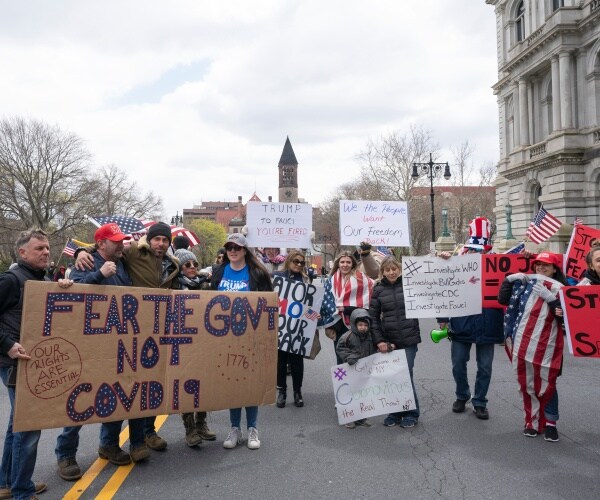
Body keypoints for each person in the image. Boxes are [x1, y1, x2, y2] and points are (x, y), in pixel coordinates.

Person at [55, 223, 150, 482]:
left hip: (116, 343)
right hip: (89, 345)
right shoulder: (87, 263)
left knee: (116, 395)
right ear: (100, 245)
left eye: (122, 241)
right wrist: (99, 273)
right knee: (80, 401)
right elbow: (72, 290)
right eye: (116, 241)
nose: (121, 245)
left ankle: (108, 445)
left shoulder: (122, 264)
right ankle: (65, 455)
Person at [76, 221, 180, 451]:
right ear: (149, 240)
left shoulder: (174, 265)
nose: (160, 244)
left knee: (150, 386)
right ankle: (111, 443)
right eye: (157, 239)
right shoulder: (132, 252)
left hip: (155, 332)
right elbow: (105, 248)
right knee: (120, 387)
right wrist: (80, 252)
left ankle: (147, 434)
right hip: (124, 331)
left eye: (165, 240)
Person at [0, 229, 52, 499]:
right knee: (29, 426)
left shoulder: (41, 279)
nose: (45, 252)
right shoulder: (11, 280)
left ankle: (7, 484)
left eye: (47, 248)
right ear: (22, 253)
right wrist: (7, 345)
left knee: (16, 425)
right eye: (39, 248)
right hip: (14, 363)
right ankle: (22, 490)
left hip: (32, 362)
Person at [210, 234, 273, 450]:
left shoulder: (257, 273)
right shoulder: (218, 271)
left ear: (245, 250)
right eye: (229, 247)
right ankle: (234, 428)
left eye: (237, 247)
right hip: (224, 337)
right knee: (232, 382)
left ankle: (252, 428)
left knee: (250, 383)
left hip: (250, 337)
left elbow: (267, 306)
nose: (233, 251)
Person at [437, 217, 503, 420]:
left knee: (485, 366)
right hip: (461, 322)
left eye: (480, 250)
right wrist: (443, 316)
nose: (476, 253)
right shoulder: (457, 264)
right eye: (472, 249)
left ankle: (480, 401)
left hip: (489, 322)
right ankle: (462, 394)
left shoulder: (499, 265)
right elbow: (443, 287)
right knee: (458, 362)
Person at [498, 251, 566, 441]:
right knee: (526, 383)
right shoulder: (525, 284)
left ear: (554, 269)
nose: (541, 268)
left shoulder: (561, 288)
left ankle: (551, 423)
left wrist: (551, 299)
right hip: (523, 341)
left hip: (549, 345)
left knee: (547, 383)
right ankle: (531, 422)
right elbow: (503, 301)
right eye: (538, 265)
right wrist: (508, 280)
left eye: (546, 265)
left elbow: (568, 317)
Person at [369, 255, 421, 428]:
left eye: (394, 269)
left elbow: (433, 279)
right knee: (392, 377)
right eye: (387, 270)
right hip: (389, 341)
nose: (391, 272)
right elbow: (373, 318)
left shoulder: (411, 284)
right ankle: (396, 411)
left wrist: (443, 258)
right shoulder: (378, 290)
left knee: (405, 375)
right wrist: (379, 341)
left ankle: (411, 412)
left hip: (408, 339)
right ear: (382, 272)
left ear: (399, 269)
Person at [173, 248, 217, 447]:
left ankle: (202, 424)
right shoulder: (174, 284)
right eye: (187, 265)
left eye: (195, 264)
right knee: (186, 386)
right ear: (179, 267)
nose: (192, 268)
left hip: (204, 342)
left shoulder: (205, 284)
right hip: (182, 344)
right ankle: (189, 428)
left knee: (205, 384)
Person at [273, 250, 310, 409]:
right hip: (281, 326)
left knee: (297, 362)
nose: (299, 264)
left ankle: (297, 392)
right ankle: (282, 391)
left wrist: (314, 315)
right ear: (289, 261)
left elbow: (310, 303)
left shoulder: (306, 279)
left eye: (302, 262)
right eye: (296, 261)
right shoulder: (278, 277)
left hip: (298, 327)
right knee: (280, 362)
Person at [328, 251, 374, 364]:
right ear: (338, 263)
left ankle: (358, 381)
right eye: (342, 262)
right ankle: (343, 381)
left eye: (348, 262)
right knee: (340, 354)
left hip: (357, 324)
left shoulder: (361, 279)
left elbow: (367, 303)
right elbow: (326, 302)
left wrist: (346, 308)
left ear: (352, 264)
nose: (345, 264)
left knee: (358, 356)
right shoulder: (331, 279)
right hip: (338, 324)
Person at [335, 309, 375, 428]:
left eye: (365, 325)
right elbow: (340, 348)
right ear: (354, 324)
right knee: (350, 394)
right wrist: (349, 357)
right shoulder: (347, 336)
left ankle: (361, 418)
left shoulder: (370, 336)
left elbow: (374, 349)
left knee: (362, 395)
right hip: (351, 370)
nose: (363, 327)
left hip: (364, 372)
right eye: (360, 325)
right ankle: (349, 417)